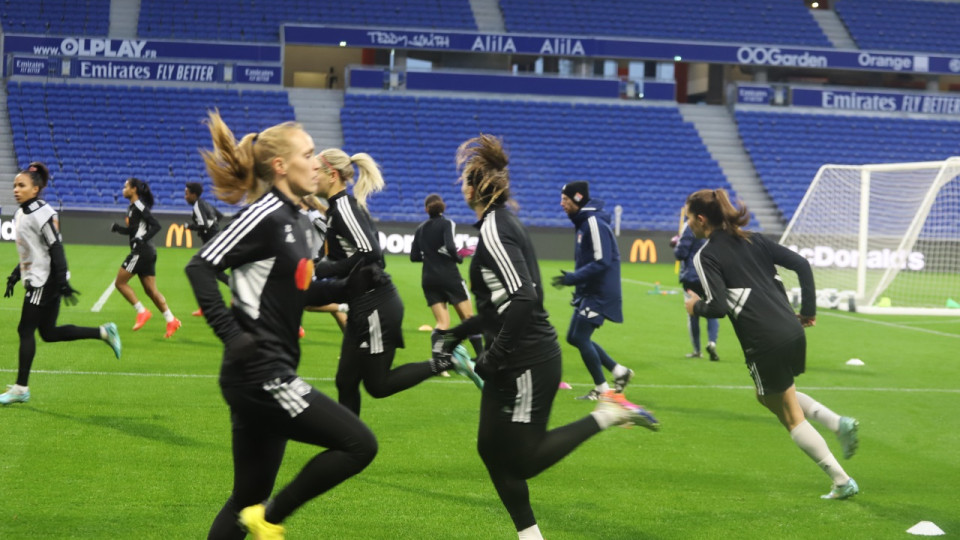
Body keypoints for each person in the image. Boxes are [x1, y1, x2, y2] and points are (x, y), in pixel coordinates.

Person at [434, 134, 660, 540]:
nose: (461, 189)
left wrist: (494, 355)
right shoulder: (497, 225)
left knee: (522, 459)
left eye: (464, 183)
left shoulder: (495, 230)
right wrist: (455, 335)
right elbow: (496, 309)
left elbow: (525, 298)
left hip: (527, 358)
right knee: (490, 449)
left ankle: (609, 413)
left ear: (474, 188)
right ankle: (530, 536)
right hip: (514, 355)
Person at [186, 112, 379, 539]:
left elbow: (300, 291)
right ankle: (272, 517)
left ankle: (261, 513)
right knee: (360, 444)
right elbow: (200, 266)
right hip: (260, 374)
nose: (317, 164)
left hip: (265, 373)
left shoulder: (297, 221)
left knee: (246, 497)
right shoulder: (267, 214)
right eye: (308, 154)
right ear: (280, 166)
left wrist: (350, 285)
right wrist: (231, 334)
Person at [682, 188, 859, 500]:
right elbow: (802, 264)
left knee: (789, 414)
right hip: (791, 329)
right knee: (770, 397)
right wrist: (808, 312)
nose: (687, 225)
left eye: (688, 218)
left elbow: (718, 307)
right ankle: (838, 423)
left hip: (763, 339)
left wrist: (694, 307)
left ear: (700, 219)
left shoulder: (705, 254)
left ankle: (841, 480)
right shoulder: (755, 239)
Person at [314, 148, 466, 415]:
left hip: (375, 305)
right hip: (364, 303)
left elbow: (372, 254)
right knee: (345, 381)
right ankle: (350, 444)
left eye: (316, 171)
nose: (311, 176)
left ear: (332, 175)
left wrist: (327, 268)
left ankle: (445, 362)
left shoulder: (344, 208)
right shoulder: (338, 209)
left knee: (378, 384)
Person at [1, 162, 122, 405]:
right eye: (14, 185)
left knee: (25, 330)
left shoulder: (40, 212)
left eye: (21, 185)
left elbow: (55, 246)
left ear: (35, 189)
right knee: (48, 333)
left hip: (44, 281)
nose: (16, 189)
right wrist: (16, 274)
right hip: (43, 278)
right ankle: (103, 332)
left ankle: (20, 388)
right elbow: (33, 251)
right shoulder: (22, 212)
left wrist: (61, 280)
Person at [551, 181, 635, 400]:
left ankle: (602, 390)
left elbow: (602, 261)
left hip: (600, 293)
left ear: (577, 200)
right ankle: (619, 372)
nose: (561, 204)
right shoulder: (584, 223)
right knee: (574, 337)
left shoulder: (594, 223)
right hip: (590, 291)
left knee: (580, 337)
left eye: (565, 200)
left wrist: (573, 278)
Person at [410, 193, 483, 357]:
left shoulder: (420, 228)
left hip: (428, 279)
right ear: (443, 207)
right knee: (469, 318)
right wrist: (458, 257)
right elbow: (450, 246)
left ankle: (438, 363)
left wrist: (431, 257)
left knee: (442, 322)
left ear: (426, 209)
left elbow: (414, 257)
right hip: (449, 276)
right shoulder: (447, 223)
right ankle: (481, 356)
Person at [110, 177, 181, 338]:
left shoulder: (139, 205)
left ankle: (142, 311)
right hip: (148, 252)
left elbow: (156, 225)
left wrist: (142, 238)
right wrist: (119, 229)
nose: (123, 189)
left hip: (141, 251)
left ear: (134, 189)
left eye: (126, 186)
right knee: (150, 290)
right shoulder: (131, 208)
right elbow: (133, 231)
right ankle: (171, 320)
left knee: (120, 283)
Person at [672, 219, 720, 361]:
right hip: (711, 276)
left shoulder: (691, 225)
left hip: (692, 276)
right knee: (712, 309)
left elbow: (681, 253)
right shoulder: (715, 224)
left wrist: (676, 244)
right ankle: (712, 342)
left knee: (693, 312)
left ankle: (697, 350)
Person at [184, 181, 229, 316]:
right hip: (215, 241)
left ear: (193, 194)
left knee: (199, 270)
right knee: (212, 273)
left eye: (186, 194)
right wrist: (211, 225)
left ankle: (239, 292)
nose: (185, 197)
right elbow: (219, 216)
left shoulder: (198, 206)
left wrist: (190, 227)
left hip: (211, 244)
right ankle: (207, 307)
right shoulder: (206, 203)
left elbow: (203, 225)